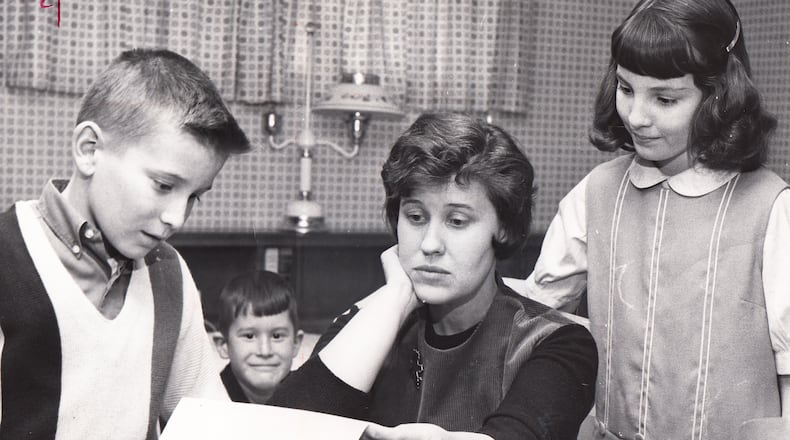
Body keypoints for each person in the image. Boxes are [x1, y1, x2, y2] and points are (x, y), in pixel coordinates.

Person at [504, 1, 790, 439]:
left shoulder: (770, 207)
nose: (637, 116)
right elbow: (541, 308)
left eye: (665, 98)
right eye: (626, 88)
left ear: (719, 96)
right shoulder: (596, 192)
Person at [274, 113, 598, 440]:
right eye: (415, 217)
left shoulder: (558, 343)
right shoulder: (363, 324)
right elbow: (281, 432)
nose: (429, 244)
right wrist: (396, 296)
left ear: (502, 227)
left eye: (457, 221)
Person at [0, 48, 251, 439]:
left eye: (194, 196)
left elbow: (208, 420)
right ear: (89, 150)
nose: (177, 217)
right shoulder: (6, 257)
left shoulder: (169, 272)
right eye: (164, 185)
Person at [215, 270, 304, 404]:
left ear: (296, 343)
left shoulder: (310, 398)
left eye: (277, 336)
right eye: (249, 336)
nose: (265, 351)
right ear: (223, 345)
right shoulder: (210, 400)